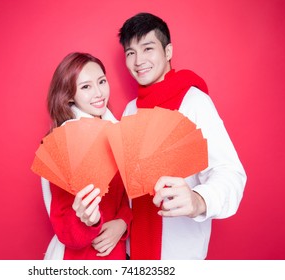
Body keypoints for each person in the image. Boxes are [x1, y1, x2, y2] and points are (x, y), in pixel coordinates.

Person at [118, 12, 247, 259]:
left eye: (147, 48)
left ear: (167, 52)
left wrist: (198, 200)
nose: (138, 60)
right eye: (130, 53)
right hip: (132, 253)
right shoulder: (130, 110)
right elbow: (126, 185)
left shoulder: (194, 102)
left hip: (178, 256)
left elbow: (230, 173)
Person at [39, 52, 132, 260]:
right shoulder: (63, 143)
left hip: (116, 254)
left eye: (101, 82)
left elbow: (125, 197)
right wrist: (88, 220)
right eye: (86, 87)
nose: (99, 93)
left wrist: (123, 222)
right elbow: (64, 227)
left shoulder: (118, 132)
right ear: (70, 95)